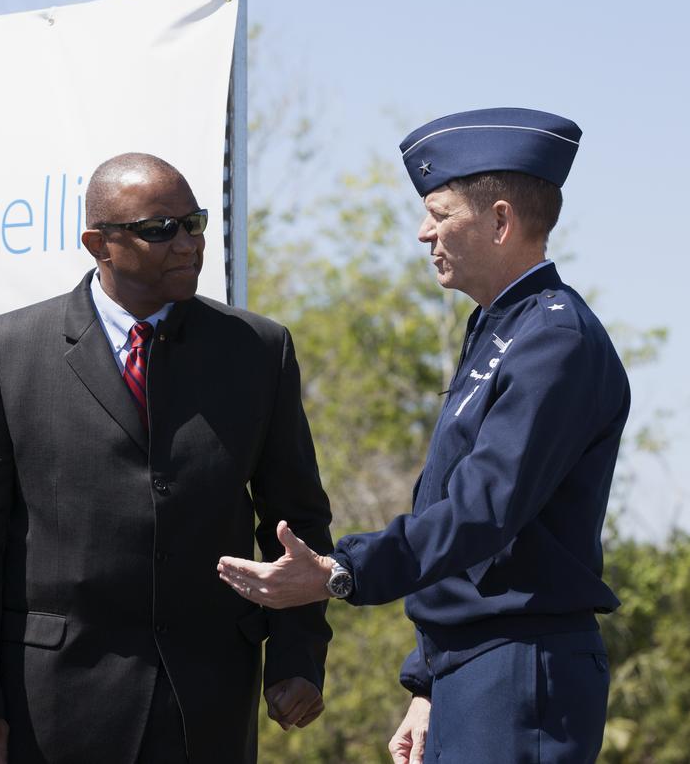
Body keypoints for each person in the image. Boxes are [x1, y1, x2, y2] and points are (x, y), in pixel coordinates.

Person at [217, 108, 630, 764]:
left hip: (518, 671)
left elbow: (482, 512)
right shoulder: (500, 328)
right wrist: (429, 678)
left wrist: (339, 570)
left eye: (439, 213)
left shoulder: (553, 340)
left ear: (499, 220)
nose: (422, 232)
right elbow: (458, 523)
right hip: (476, 669)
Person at [0, 152, 334, 764]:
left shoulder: (258, 350)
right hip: (49, 705)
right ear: (100, 244)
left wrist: (298, 655)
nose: (188, 243)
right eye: (160, 229)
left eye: (194, 223)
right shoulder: (5, 352)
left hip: (208, 703)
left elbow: (296, 521)